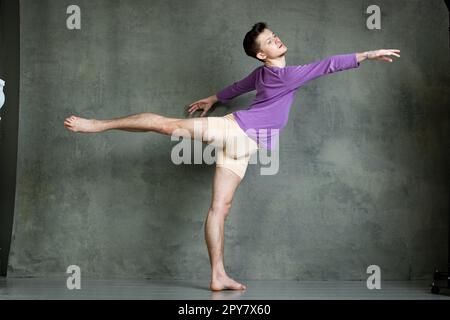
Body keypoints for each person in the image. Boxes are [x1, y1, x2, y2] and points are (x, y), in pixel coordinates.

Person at [64, 22, 400, 291]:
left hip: (244, 148)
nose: (276, 41)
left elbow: (238, 87)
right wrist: (369, 54)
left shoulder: (265, 73)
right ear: (261, 55)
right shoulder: (285, 75)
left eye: (274, 36)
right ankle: (99, 125)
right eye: (269, 41)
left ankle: (218, 275)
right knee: (167, 126)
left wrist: (212, 97)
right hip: (235, 130)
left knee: (220, 208)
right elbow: (327, 65)